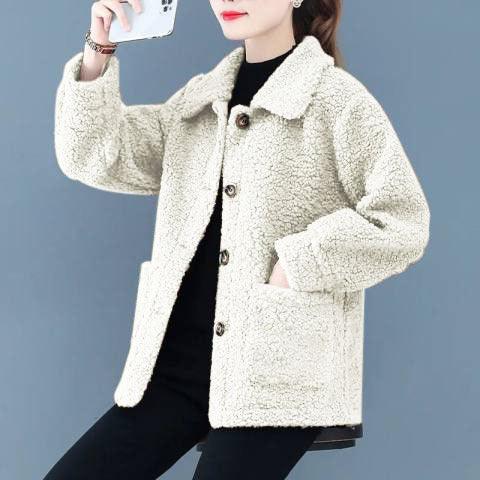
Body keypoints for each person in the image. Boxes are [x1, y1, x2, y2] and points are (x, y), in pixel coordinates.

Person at [44, 0, 430, 478]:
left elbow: (403, 220)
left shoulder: (336, 101)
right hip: (173, 373)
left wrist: (299, 263)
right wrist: (98, 50)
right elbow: (92, 155)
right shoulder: (199, 102)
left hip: (273, 376)